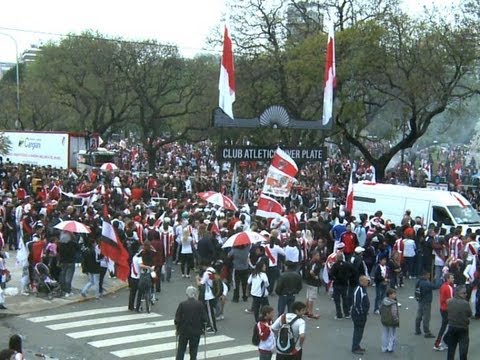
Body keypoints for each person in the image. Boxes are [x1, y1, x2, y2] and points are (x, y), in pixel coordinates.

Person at [174, 286, 208, 360]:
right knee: (193, 350)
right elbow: (205, 318)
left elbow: (177, 319)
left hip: (184, 331)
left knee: (181, 349)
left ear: (187, 294)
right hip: (196, 331)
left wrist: (177, 328)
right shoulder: (200, 304)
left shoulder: (182, 304)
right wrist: (203, 328)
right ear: (195, 294)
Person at [444, 285, 472, 360]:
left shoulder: (449, 301)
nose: (466, 294)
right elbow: (469, 314)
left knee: (451, 349)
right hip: (463, 328)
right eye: (464, 293)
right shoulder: (465, 303)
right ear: (458, 293)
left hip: (452, 327)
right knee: (463, 350)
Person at [434, 272, 454, 351]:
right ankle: (438, 343)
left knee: (447, 326)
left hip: (443, 308)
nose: (453, 279)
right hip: (447, 309)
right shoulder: (449, 287)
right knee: (445, 327)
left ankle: (444, 342)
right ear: (448, 279)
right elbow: (450, 300)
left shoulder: (443, 286)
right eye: (452, 278)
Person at [330, 253, 353, 319]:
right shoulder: (347, 265)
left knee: (337, 300)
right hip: (344, 284)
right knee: (345, 299)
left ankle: (339, 314)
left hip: (337, 284)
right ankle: (347, 313)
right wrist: (348, 277)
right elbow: (352, 271)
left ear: (337, 258)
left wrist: (334, 278)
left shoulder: (335, 265)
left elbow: (331, 274)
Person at [415, 270, 437, 338]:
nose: (429, 276)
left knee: (419, 316)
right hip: (426, 302)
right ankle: (427, 332)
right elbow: (434, 286)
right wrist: (436, 280)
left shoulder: (418, 281)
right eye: (428, 275)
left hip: (420, 300)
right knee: (426, 317)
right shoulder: (425, 283)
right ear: (424, 275)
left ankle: (417, 329)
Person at [351, 275, 370, 355]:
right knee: (358, 331)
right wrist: (361, 313)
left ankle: (357, 345)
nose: (367, 282)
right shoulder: (358, 290)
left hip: (363, 314)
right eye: (366, 281)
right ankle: (355, 347)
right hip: (358, 315)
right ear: (361, 281)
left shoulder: (363, 289)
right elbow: (356, 304)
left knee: (360, 331)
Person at [380, 288, 400, 353]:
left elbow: (380, 310)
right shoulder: (393, 303)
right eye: (394, 294)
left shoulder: (383, 301)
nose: (395, 295)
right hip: (392, 321)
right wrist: (396, 320)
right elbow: (394, 313)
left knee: (385, 334)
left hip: (385, 320)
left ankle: (384, 347)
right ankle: (390, 348)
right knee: (392, 335)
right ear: (390, 295)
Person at [304, 250, 321, 319]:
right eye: (317, 255)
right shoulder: (314, 263)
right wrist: (315, 277)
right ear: (314, 256)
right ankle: (310, 313)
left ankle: (305, 310)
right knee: (312, 298)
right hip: (313, 282)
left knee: (308, 296)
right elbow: (311, 272)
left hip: (308, 281)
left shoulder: (309, 262)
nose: (319, 256)